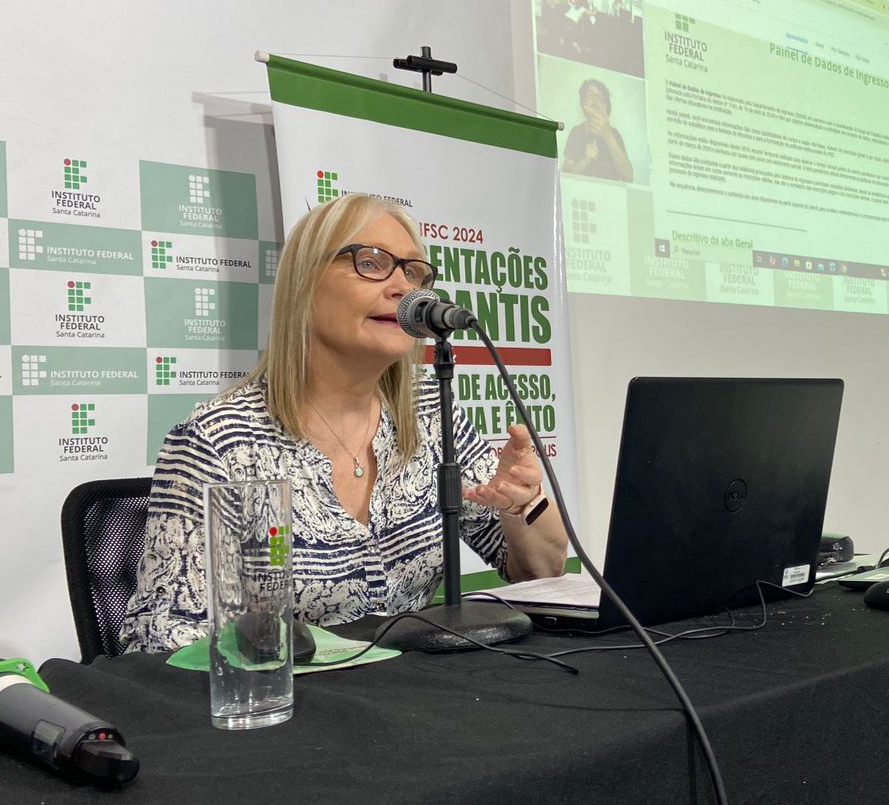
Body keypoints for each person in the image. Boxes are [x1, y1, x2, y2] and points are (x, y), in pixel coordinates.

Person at [120, 193, 568, 653]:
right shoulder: (219, 440)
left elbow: (539, 573)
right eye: (372, 263)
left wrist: (522, 504)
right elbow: (159, 638)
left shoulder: (430, 410)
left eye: (413, 272)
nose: (403, 289)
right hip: (294, 704)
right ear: (304, 282)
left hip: (419, 695)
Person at [561, 78, 635, 182]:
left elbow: (629, 177)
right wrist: (585, 160)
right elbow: (565, 176)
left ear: (606, 105)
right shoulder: (576, 132)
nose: (595, 100)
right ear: (583, 102)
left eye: (600, 97)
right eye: (591, 95)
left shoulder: (614, 134)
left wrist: (608, 135)